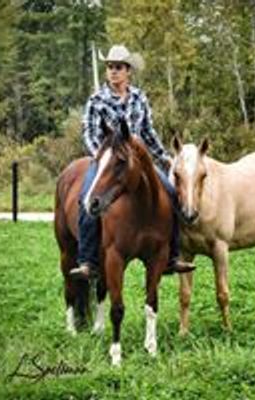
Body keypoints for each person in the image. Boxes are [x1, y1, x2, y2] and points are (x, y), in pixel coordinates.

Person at [70, 45, 195, 280]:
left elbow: (148, 131)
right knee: (87, 198)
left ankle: (173, 256)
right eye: (109, 68)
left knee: (170, 194)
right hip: (107, 162)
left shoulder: (139, 97)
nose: (113, 72)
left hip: (139, 163)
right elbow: (88, 132)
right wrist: (101, 157)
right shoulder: (97, 99)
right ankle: (88, 260)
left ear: (128, 71)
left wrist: (164, 158)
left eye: (118, 68)